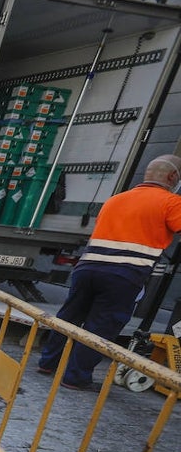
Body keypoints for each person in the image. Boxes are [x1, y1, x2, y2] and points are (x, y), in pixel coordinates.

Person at [37, 155, 181, 391]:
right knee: (102, 326)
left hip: (87, 268)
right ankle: (76, 377)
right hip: (123, 274)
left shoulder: (115, 199)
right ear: (172, 177)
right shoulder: (171, 202)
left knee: (69, 316)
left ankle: (47, 363)